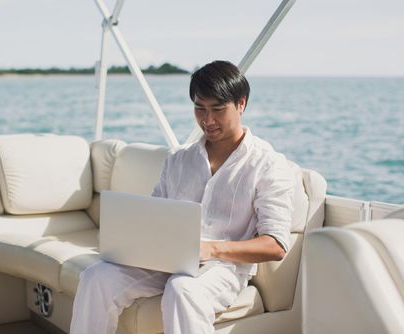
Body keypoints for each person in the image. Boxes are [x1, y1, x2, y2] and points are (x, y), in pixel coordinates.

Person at [70, 60, 298, 334]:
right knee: (96, 276)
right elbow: (154, 216)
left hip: (222, 267)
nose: (208, 120)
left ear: (241, 104)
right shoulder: (178, 159)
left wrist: (210, 248)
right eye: (199, 109)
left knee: (182, 288)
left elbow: (276, 246)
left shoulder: (268, 164)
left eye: (217, 109)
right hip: (165, 258)